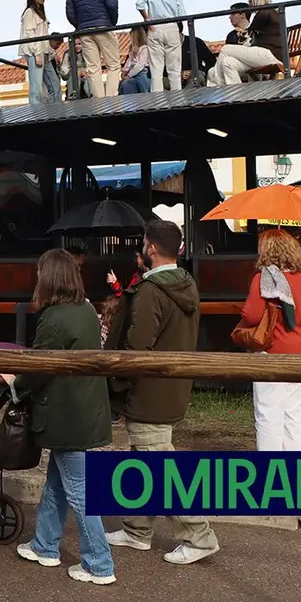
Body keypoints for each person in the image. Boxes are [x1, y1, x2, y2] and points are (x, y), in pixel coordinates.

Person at [104, 220, 220, 565]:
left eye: (143, 242)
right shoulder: (185, 284)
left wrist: (117, 378)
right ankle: (138, 529)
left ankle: (199, 536)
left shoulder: (151, 291)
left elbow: (137, 345)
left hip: (148, 389)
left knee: (158, 463)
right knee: (144, 458)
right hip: (172, 385)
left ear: (151, 248)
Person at [7, 249, 114, 585]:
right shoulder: (85, 309)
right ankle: (45, 545)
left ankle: (99, 564)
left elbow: (39, 368)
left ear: (49, 277)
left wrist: (14, 384)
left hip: (65, 415)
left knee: (80, 492)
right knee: (56, 483)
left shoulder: (53, 317)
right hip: (86, 410)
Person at [238, 229, 301, 451]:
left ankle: (271, 472)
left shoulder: (263, 277)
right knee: (293, 413)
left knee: (268, 414)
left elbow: (251, 315)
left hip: (272, 352)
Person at [65, 0, 120, 98]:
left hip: (84, 31)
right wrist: (111, 22)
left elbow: (70, 13)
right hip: (104, 26)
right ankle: (112, 100)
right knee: (113, 65)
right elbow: (112, 4)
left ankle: (100, 104)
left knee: (93, 68)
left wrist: (81, 25)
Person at [212, 0, 283, 86]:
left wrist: (243, 33)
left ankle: (216, 85)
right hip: (267, 54)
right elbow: (251, 33)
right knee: (227, 62)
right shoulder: (272, 13)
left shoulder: (264, 12)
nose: (249, 4)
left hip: (269, 54)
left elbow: (249, 32)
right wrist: (245, 33)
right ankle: (236, 95)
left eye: (250, 1)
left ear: (257, 0)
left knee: (225, 49)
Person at [135, 0, 186, 92]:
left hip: (155, 28)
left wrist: (147, 19)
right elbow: (183, 15)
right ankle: (177, 99)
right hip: (171, 26)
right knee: (174, 68)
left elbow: (139, 4)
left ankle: (157, 101)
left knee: (156, 69)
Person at [19, 0, 55, 104]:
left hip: (45, 53)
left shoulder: (40, 13)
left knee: (55, 85)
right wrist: (37, 54)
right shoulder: (29, 12)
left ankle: (56, 111)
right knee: (36, 89)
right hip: (36, 54)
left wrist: (51, 52)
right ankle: (36, 115)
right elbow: (29, 34)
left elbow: (43, 35)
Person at [118, 26, 151, 95]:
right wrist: (124, 71)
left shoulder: (145, 48)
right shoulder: (133, 50)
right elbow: (129, 61)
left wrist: (129, 75)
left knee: (144, 90)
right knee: (126, 84)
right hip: (132, 73)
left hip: (142, 72)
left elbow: (140, 65)